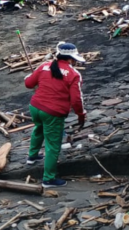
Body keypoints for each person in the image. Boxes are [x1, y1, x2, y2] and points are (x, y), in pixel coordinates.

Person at [24, 42, 86, 188]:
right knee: (53, 144)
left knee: (39, 128)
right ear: (70, 59)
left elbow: (28, 83)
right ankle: (48, 179)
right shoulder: (73, 74)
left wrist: (30, 76)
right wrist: (81, 114)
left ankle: (32, 156)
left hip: (35, 107)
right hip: (53, 112)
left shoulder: (44, 66)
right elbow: (76, 100)